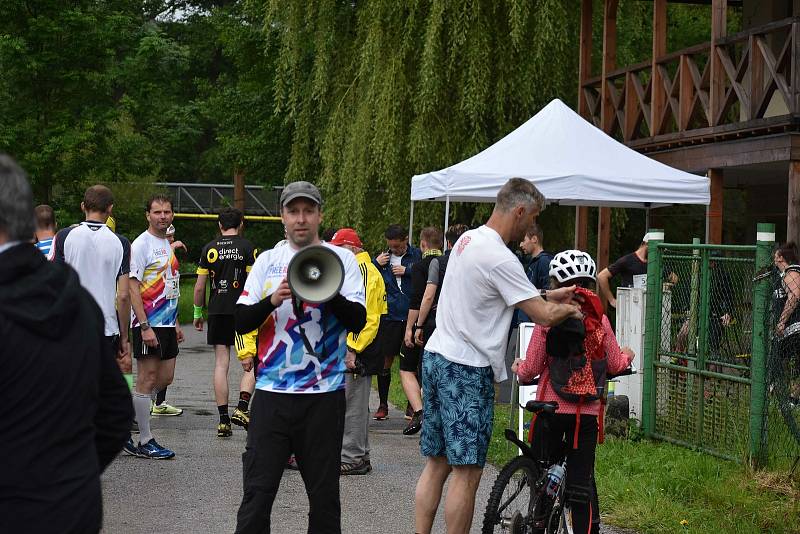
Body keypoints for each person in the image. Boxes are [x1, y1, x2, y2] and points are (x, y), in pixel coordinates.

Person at [414, 178, 583, 534]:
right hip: (466, 368)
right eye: (532, 217)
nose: (530, 227)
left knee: (437, 464)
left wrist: (551, 294)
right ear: (519, 211)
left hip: (436, 356)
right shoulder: (501, 257)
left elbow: (501, 290)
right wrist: (572, 309)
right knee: (468, 472)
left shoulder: (467, 239)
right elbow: (543, 316)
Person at [0, 155, 132, 533]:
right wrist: (69, 473)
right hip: (72, 506)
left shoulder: (65, 241)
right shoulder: (75, 299)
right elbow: (114, 415)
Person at [234, 181, 366, 533]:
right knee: (257, 495)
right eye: (294, 211)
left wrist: (327, 292)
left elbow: (359, 320)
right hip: (272, 396)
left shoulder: (342, 261)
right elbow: (239, 319)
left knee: (324, 499)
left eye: (309, 211)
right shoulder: (268, 261)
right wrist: (272, 301)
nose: (301, 219)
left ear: (320, 215)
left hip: (323, 398)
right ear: (282, 217)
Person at [513, 250, 634, 534]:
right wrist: (628, 355)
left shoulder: (548, 320)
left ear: (556, 284)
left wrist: (518, 367)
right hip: (585, 416)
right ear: (590, 285)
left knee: (543, 475)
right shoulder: (601, 322)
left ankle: (538, 523)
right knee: (580, 488)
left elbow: (530, 369)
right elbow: (615, 363)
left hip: (550, 410)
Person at [50, 185, 132, 388]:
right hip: (106, 327)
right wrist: (124, 337)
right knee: (101, 386)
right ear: (110, 208)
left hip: (72, 324)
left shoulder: (63, 236)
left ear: (82, 206)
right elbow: (123, 295)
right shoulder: (121, 243)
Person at [124, 194, 184, 460]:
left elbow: (170, 283)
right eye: (157, 212)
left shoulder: (166, 243)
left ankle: (122, 419)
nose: (163, 216)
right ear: (147, 215)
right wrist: (144, 325)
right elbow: (132, 287)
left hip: (167, 322)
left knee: (165, 378)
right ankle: (145, 440)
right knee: (147, 379)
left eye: (167, 212)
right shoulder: (141, 244)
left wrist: (177, 322)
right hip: (148, 322)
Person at [193, 207, 258, 437]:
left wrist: (197, 312)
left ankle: (223, 421)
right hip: (243, 312)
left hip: (217, 310)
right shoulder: (248, 247)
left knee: (221, 363)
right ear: (240, 224)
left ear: (219, 226)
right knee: (252, 362)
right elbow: (254, 282)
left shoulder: (209, 248)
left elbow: (200, 286)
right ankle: (241, 408)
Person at [329, 227, 387, 475]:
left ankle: (351, 456)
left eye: (338, 250)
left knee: (351, 403)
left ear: (351, 249)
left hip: (357, 346)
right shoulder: (366, 270)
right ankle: (360, 455)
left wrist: (352, 348)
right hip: (362, 345)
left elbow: (368, 318)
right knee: (358, 402)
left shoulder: (362, 272)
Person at [373, 224, 422, 420]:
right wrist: (376, 264)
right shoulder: (382, 258)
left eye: (398, 247)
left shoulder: (417, 256)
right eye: (391, 247)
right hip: (391, 315)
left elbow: (427, 272)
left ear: (406, 240)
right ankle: (383, 404)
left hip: (412, 313)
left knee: (413, 361)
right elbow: (369, 277)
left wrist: (407, 270)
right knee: (386, 359)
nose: (394, 250)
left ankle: (413, 405)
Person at [402, 226, 444, 435]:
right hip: (445, 324)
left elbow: (418, 300)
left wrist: (410, 327)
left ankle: (420, 410)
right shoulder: (449, 264)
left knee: (407, 367)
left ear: (423, 244)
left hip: (425, 324)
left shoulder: (419, 266)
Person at [413, 224, 469, 348]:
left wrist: (419, 325)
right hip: (466, 321)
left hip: (439, 319)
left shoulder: (438, 262)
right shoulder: (476, 262)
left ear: (448, 243)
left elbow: (429, 296)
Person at [152, 223, 187, 415]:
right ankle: (146, 403)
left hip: (169, 314)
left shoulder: (171, 259)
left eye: (173, 237)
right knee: (152, 365)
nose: (172, 240)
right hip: (154, 317)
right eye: (168, 237)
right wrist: (171, 249)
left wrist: (176, 322)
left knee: (167, 371)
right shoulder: (155, 253)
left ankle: (159, 402)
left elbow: (172, 292)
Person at [772, 242, 800, 402]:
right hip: (792, 328)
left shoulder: (792, 273)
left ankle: (788, 398)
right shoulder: (782, 276)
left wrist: (782, 322)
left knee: (775, 358)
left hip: (795, 327)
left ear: (781, 258)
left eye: (775, 257)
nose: (774, 260)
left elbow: (794, 297)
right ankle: (790, 398)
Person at [515, 223, 554, 324]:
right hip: (526, 324)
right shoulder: (533, 263)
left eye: (523, 240)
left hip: (534, 325)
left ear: (534, 239)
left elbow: (550, 292)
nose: (521, 245)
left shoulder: (544, 261)